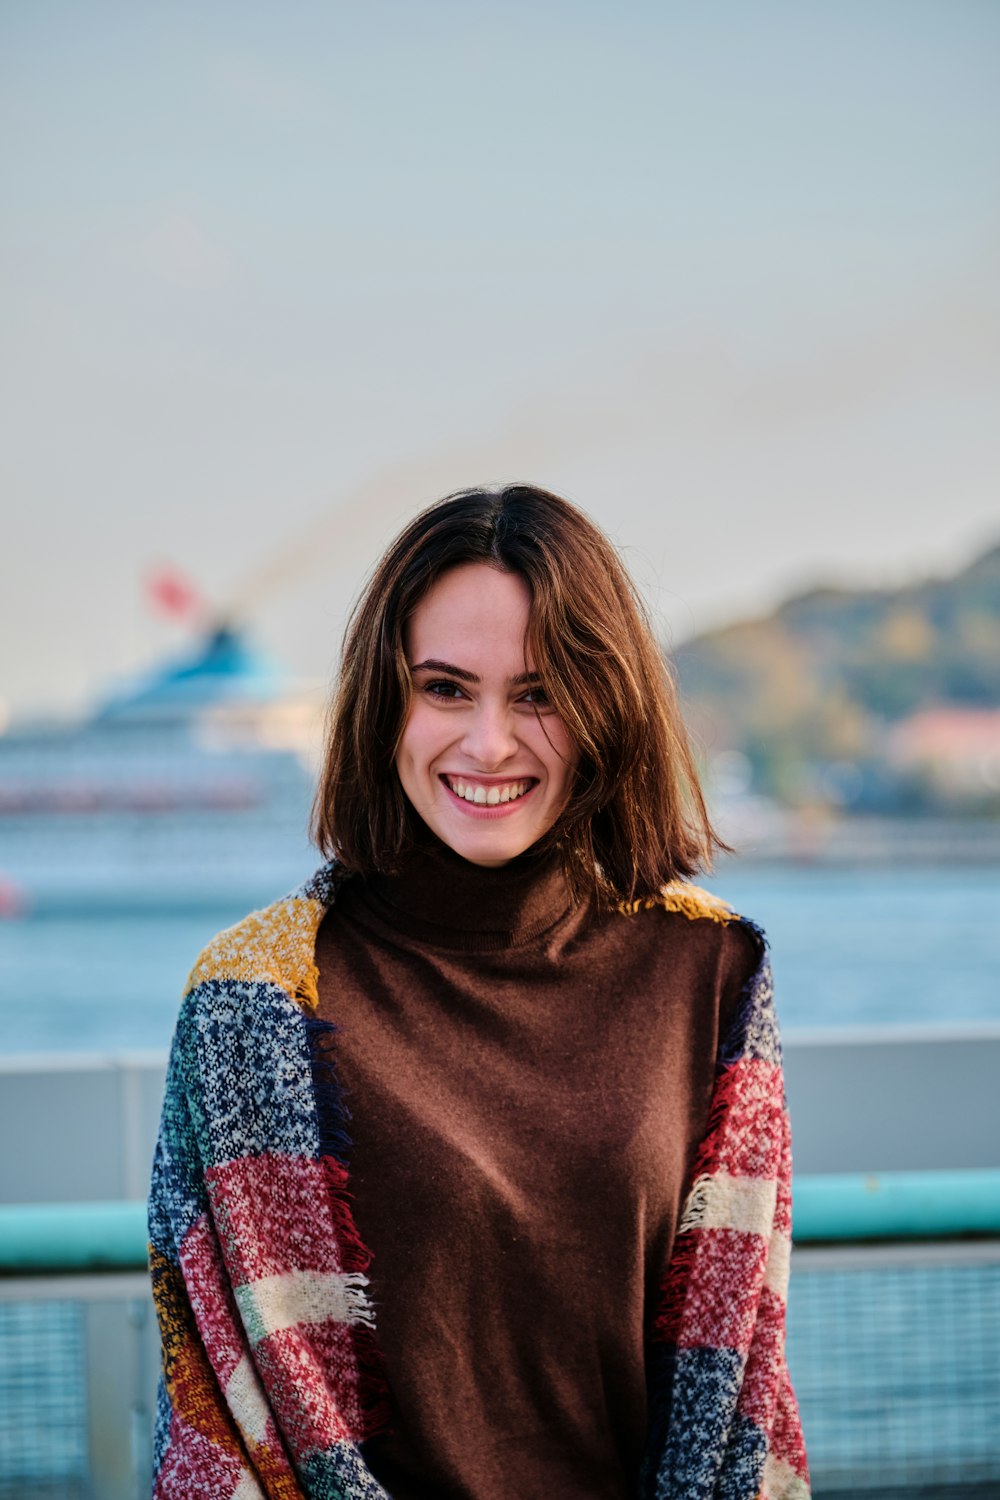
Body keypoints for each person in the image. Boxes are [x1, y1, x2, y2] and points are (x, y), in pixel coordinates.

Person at [147, 482, 810, 1500]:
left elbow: (743, 1387)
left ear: (606, 704)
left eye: (538, 693)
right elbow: (219, 1418)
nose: (489, 743)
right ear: (384, 701)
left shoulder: (710, 972)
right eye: (445, 689)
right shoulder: (254, 1002)